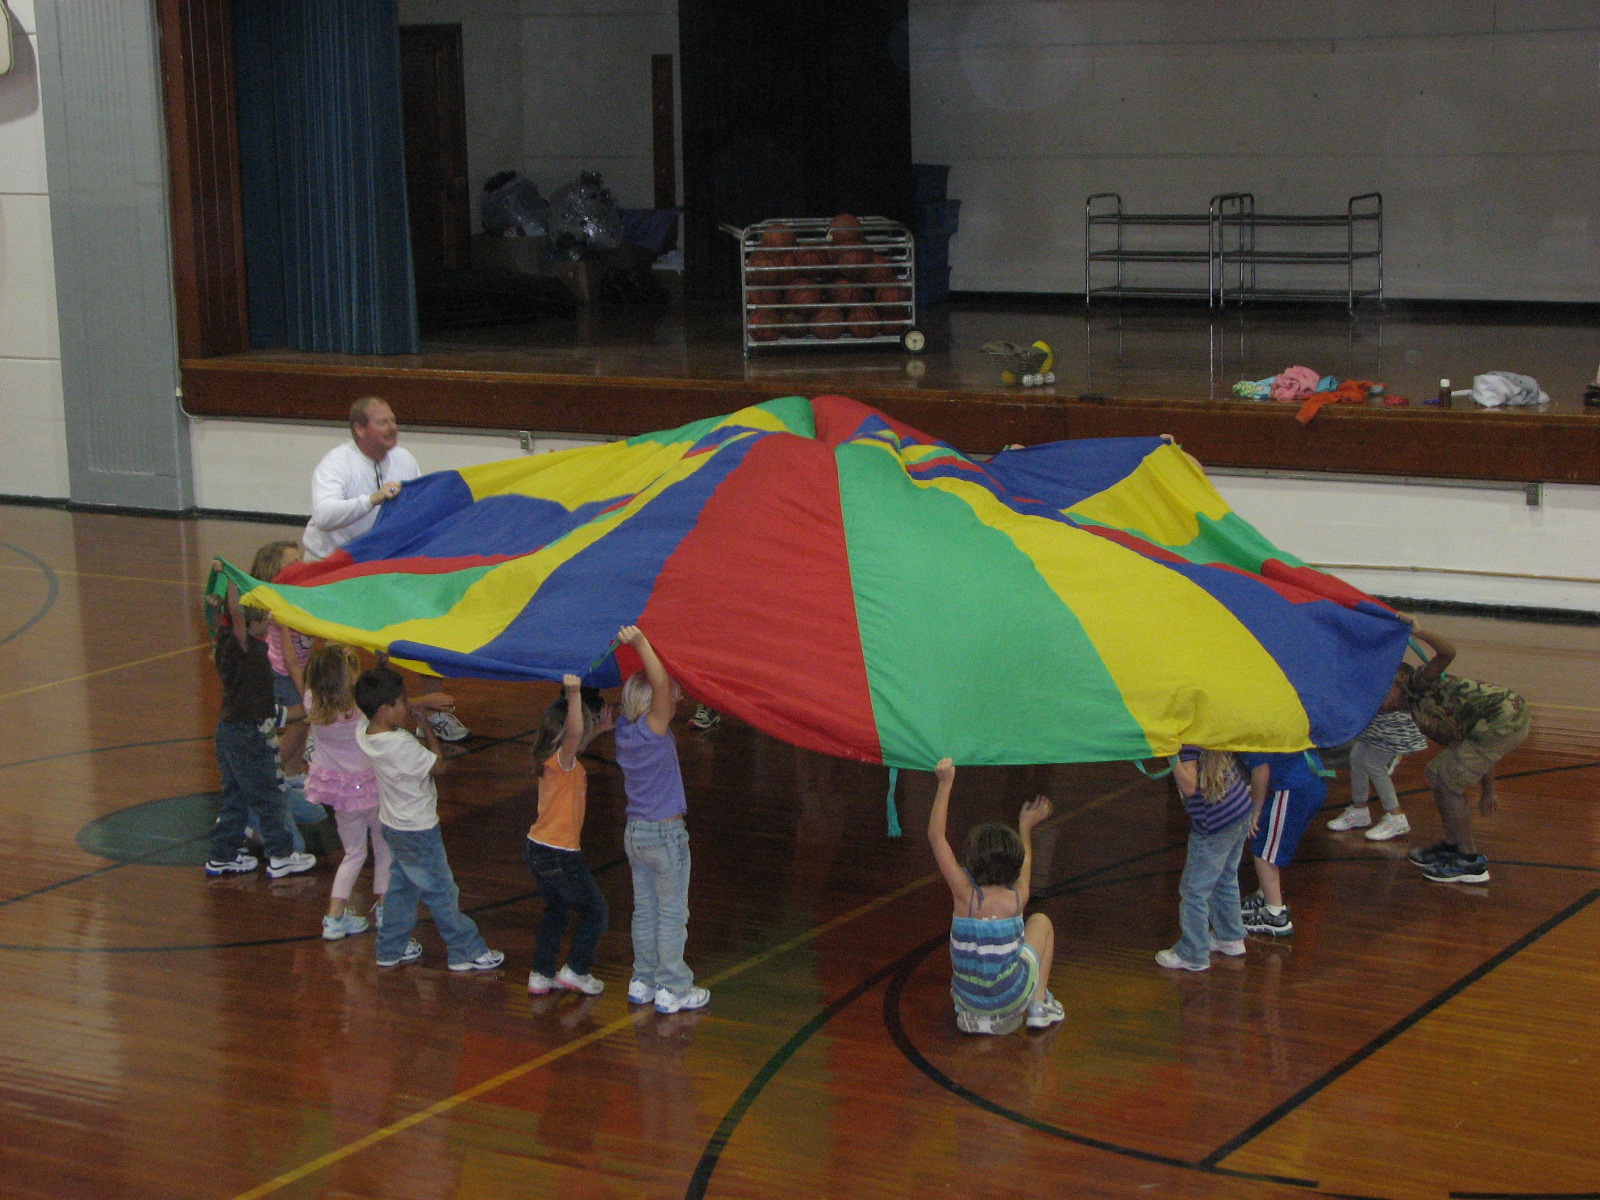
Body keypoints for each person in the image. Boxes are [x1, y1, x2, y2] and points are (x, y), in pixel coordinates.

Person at [303, 396, 469, 743]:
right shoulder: (336, 463)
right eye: (382, 422)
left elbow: (421, 507)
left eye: (393, 420)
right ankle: (327, 727)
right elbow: (324, 515)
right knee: (338, 653)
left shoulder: (405, 459)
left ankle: (431, 713)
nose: (393, 428)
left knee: (424, 634)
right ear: (359, 429)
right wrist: (373, 499)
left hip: (386, 564)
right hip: (336, 567)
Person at [353, 665, 503, 971]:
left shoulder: (364, 731)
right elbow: (439, 766)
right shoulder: (402, 744)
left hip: (393, 825)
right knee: (442, 890)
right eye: (401, 703)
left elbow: (388, 710)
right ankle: (465, 950)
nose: (405, 708)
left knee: (401, 889)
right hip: (419, 829)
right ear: (385, 709)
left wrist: (418, 704)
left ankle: (389, 948)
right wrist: (427, 727)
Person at [927, 758, 1064, 1035]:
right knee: (1041, 922)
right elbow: (1026, 864)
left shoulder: (965, 896)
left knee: (979, 979)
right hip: (1011, 994)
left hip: (968, 997)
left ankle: (979, 1015)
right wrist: (1025, 826)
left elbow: (936, 836)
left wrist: (945, 783)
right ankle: (1038, 1006)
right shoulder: (1017, 897)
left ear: (973, 859)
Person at [1389, 617, 1531, 884]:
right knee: (1437, 772)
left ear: (1398, 684)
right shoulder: (1423, 716)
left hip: (1505, 717)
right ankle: (1453, 846)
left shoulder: (1417, 685)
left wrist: (1420, 632)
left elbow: (1447, 653)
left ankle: (1469, 861)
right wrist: (1489, 791)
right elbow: (1469, 748)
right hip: (1492, 724)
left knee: (1447, 779)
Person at [613, 625, 709, 1014]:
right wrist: (640, 644)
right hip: (665, 836)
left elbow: (657, 690)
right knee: (671, 914)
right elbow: (662, 686)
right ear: (655, 703)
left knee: (646, 911)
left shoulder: (625, 731)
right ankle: (673, 987)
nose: (677, 695)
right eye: (671, 694)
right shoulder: (653, 732)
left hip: (635, 834)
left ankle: (643, 980)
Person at [202, 576, 316, 880]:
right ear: (251, 625)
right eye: (264, 618)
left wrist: (214, 609)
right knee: (269, 796)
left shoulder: (224, 645)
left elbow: (218, 625)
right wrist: (229, 582)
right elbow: (236, 615)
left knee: (235, 797)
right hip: (246, 734)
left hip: (228, 731)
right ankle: (280, 855)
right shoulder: (246, 649)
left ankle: (221, 856)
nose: (269, 622)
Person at [524, 674, 615, 996]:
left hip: (539, 849)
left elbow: (577, 739)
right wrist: (575, 693)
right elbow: (576, 733)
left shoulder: (554, 759)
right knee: (595, 911)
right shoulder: (563, 758)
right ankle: (576, 970)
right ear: (567, 732)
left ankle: (541, 973)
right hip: (559, 854)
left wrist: (600, 730)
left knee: (556, 912)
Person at [303, 644, 387, 941]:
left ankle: (335, 917)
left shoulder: (312, 702)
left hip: (341, 795)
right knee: (384, 848)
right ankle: (386, 911)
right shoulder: (360, 707)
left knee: (353, 854)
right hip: (372, 790)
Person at [1157, 748, 1267, 971]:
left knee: (1193, 890)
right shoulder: (1205, 731)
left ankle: (1193, 952)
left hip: (1214, 824)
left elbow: (1189, 787)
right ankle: (1230, 936)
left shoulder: (1185, 745)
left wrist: (1170, 756)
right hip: (1238, 810)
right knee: (1225, 877)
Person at [1238, 751, 1328, 936]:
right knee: (1272, 841)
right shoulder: (1274, 723)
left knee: (1264, 848)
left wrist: (1255, 810)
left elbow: (1261, 771)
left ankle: (1275, 913)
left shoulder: (1252, 730)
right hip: (1311, 780)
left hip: (1291, 787)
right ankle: (1264, 894)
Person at [1327, 710, 1428, 841]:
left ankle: (1396, 818)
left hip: (1393, 723)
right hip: (1376, 719)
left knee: (1374, 764)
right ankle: (1359, 811)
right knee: (1357, 757)